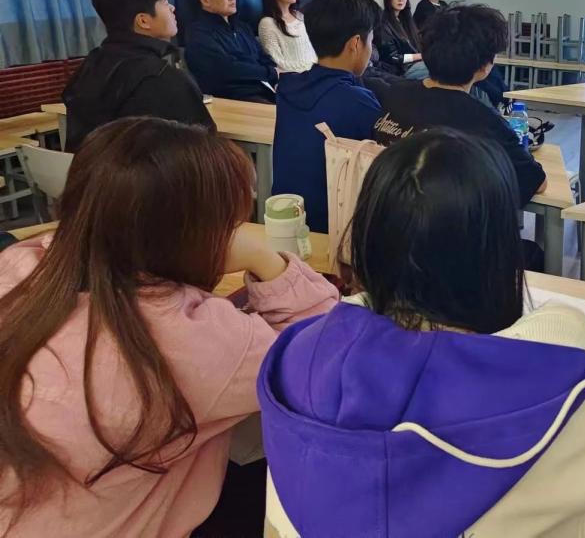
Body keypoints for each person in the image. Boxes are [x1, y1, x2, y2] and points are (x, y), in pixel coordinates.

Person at [259, 130, 585, 538]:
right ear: (498, 253)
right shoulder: (564, 397)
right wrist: (564, 327)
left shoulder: (297, 362)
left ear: (368, 238)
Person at [0, 118, 338, 538]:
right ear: (196, 234)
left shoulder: (20, 263)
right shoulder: (194, 340)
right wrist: (264, 259)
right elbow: (325, 353)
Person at [366, 4, 545, 208]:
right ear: (484, 67)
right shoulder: (484, 121)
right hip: (449, 222)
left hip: (385, 216)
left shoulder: (390, 95)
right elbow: (536, 182)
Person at [62, 0, 214, 153]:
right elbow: (204, 146)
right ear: (143, 21)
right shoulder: (161, 77)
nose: (172, 8)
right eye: (165, 2)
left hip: (93, 170)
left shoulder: (91, 64)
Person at [272, 0, 383, 234]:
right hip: (335, 229)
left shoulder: (288, 88)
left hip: (288, 221)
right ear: (356, 43)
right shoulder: (359, 103)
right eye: (371, 41)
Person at [185, 0, 278, 102]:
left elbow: (263, 57)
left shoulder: (242, 28)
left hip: (265, 89)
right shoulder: (198, 33)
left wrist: (276, 78)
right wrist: (270, 73)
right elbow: (227, 69)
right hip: (236, 98)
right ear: (205, 0)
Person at [257, 0, 317, 74]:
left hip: (314, 73)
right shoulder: (267, 23)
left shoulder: (299, 16)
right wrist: (307, 72)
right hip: (294, 78)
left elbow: (312, 52)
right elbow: (277, 63)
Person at [377, 0, 428, 80]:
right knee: (437, 69)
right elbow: (392, 57)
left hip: (415, 65)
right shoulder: (383, 23)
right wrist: (420, 56)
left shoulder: (406, 20)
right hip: (401, 70)